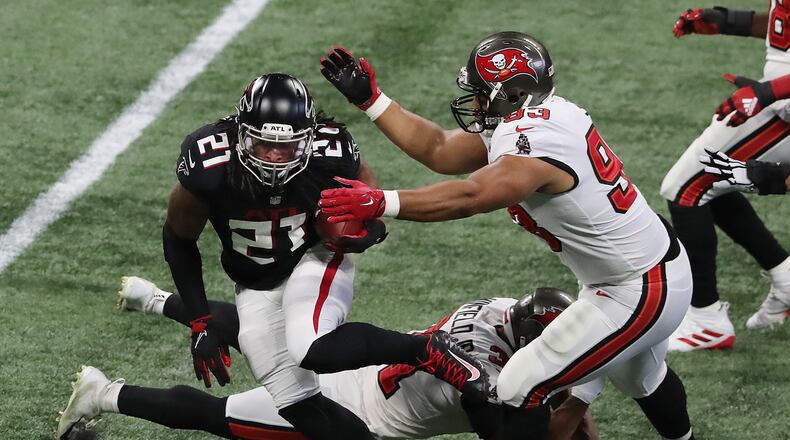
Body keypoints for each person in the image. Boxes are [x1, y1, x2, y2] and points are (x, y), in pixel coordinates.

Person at [56, 73, 487, 440]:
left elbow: (371, 212)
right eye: (264, 145)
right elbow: (180, 239)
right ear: (242, 132)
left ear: (308, 136)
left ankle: (426, 348)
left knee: (309, 345)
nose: (276, 156)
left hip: (313, 255)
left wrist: (360, 235)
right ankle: (116, 373)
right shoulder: (208, 162)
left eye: (287, 146)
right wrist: (201, 322)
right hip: (255, 281)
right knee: (303, 410)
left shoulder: (330, 150)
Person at [318, 32, 695, 440]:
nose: (475, 104)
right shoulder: (535, 120)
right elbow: (441, 148)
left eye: (481, 94)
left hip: (638, 288)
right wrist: (372, 100)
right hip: (637, 271)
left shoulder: (536, 139)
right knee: (643, 379)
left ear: (512, 94)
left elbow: (471, 196)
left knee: (518, 387)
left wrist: (381, 202)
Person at [57, 278, 597, 440]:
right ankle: (103, 394)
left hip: (365, 369)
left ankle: (153, 299)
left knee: (270, 340)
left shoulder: (499, 310)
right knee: (217, 417)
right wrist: (578, 397)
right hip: (350, 410)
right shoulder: (490, 380)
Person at [659, 4, 790, 351]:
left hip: (783, 108)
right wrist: (729, 22)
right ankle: (785, 275)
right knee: (707, 181)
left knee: (685, 189)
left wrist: (766, 93)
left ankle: (706, 321)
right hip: (779, 100)